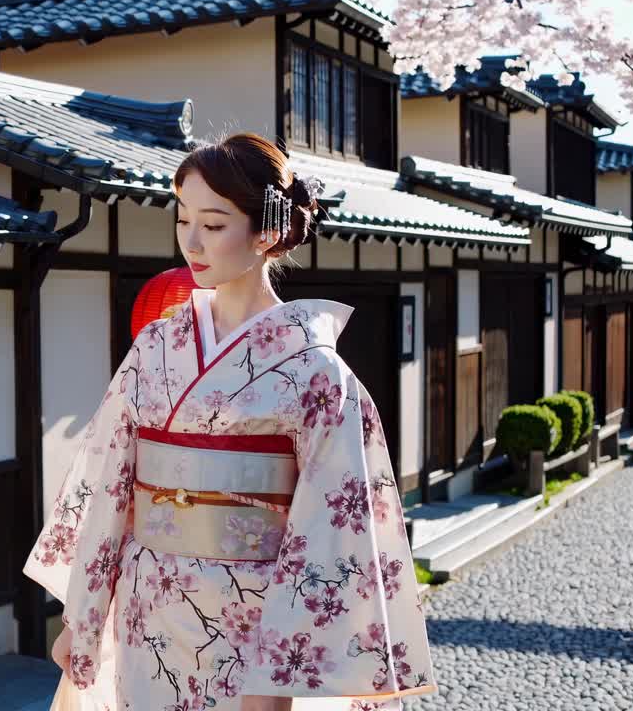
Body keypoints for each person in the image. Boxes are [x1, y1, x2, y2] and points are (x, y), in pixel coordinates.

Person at [23, 132, 437, 711]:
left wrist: (276, 682)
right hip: (146, 611)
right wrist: (84, 615)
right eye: (183, 219)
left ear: (267, 230)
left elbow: (328, 533)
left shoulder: (318, 373)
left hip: (249, 621)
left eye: (214, 225)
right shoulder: (157, 346)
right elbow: (110, 482)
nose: (192, 241)